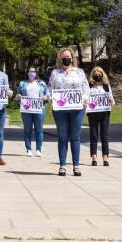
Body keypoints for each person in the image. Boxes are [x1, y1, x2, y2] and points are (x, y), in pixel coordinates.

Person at [49, 48, 89, 177]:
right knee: (62, 137)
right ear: (60, 59)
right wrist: (51, 99)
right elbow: (50, 89)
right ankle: (62, 165)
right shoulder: (55, 73)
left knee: (75, 137)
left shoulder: (79, 72)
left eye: (68, 56)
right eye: (63, 57)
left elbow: (86, 88)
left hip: (77, 110)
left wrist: (84, 100)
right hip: (60, 110)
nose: (66, 58)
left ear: (72, 58)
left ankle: (76, 166)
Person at [87, 66, 114, 167]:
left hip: (104, 114)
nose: (98, 76)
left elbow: (111, 98)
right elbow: (86, 97)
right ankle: (94, 157)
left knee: (104, 136)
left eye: (100, 74)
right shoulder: (89, 86)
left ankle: (105, 157)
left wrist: (112, 101)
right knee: (93, 135)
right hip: (93, 113)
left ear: (103, 75)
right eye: (96, 74)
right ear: (92, 75)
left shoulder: (106, 86)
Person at [18, 67, 48, 157]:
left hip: (39, 108)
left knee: (39, 130)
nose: (32, 73)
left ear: (36, 73)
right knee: (27, 130)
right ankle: (28, 149)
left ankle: (38, 149)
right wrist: (19, 96)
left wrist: (46, 97)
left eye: (33, 71)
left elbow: (48, 94)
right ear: (27, 73)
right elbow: (17, 94)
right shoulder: (23, 83)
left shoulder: (42, 83)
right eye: (30, 71)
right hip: (26, 109)